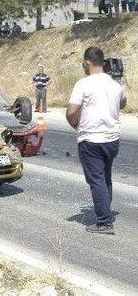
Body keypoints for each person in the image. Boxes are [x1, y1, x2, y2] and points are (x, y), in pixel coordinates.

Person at [66, 47, 126, 234]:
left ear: (87, 62)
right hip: (112, 139)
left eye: (83, 63)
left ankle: (104, 222)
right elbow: (123, 103)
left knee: (97, 180)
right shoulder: (115, 85)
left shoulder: (83, 84)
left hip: (91, 139)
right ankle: (105, 212)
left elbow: (71, 111)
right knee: (105, 177)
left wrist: (76, 125)